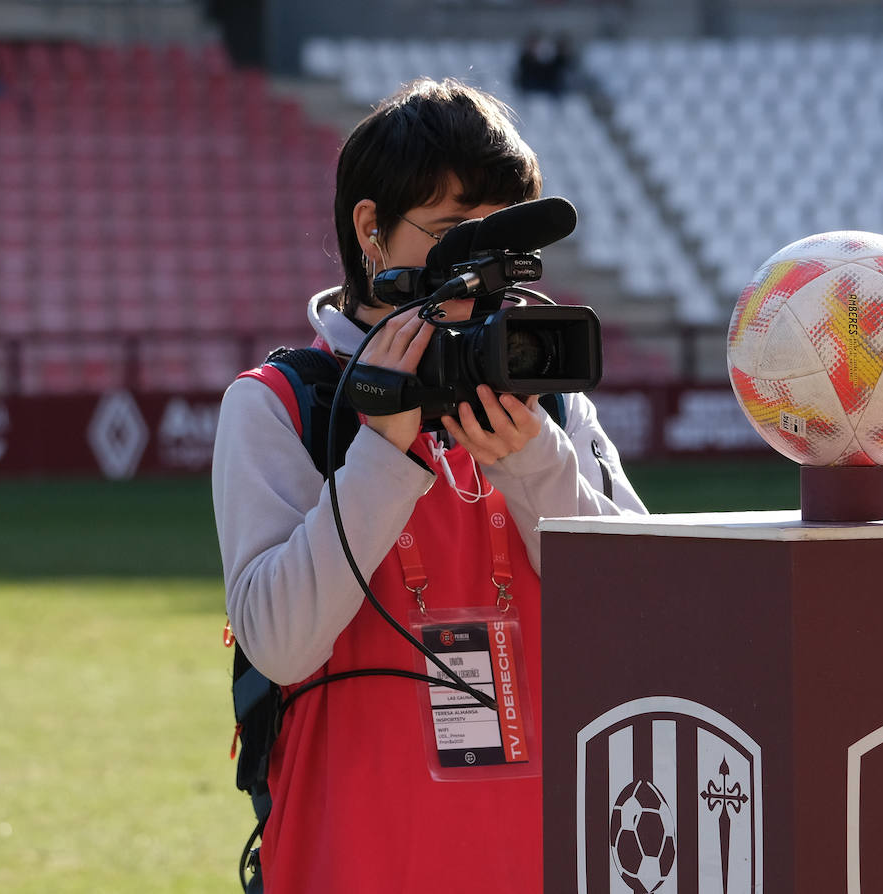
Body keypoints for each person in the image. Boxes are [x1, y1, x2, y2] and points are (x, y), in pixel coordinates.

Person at [211, 77, 647, 893]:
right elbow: (277, 642)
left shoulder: (545, 398)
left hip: (547, 856)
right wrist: (383, 452)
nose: (485, 272)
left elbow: (643, 619)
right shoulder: (283, 403)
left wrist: (534, 464)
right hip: (350, 861)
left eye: (502, 244)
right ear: (371, 231)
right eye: (454, 235)